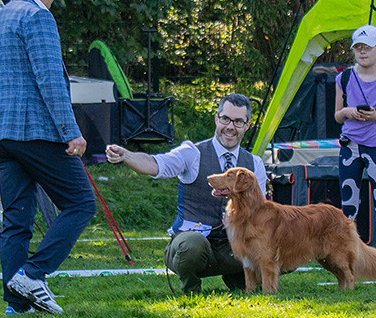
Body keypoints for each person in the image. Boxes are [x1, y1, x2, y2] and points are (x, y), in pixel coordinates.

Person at [0, 0, 97, 315]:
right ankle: (34, 275)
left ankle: (16, 305)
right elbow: (50, 80)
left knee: (16, 221)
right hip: (35, 131)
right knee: (81, 202)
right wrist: (71, 131)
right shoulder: (38, 17)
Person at [105, 94, 267, 294]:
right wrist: (126, 155)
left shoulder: (255, 164)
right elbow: (155, 165)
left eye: (238, 121)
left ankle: (240, 279)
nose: (230, 126)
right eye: (225, 119)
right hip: (192, 245)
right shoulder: (192, 153)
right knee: (191, 245)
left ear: (247, 125)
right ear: (216, 118)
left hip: (231, 246)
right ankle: (191, 288)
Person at [334, 24, 376, 275]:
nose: (362, 52)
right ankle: (348, 257)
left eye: (367, 48)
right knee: (349, 206)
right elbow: (337, 116)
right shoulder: (342, 78)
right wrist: (348, 112)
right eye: (358, 48)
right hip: (350, 147)